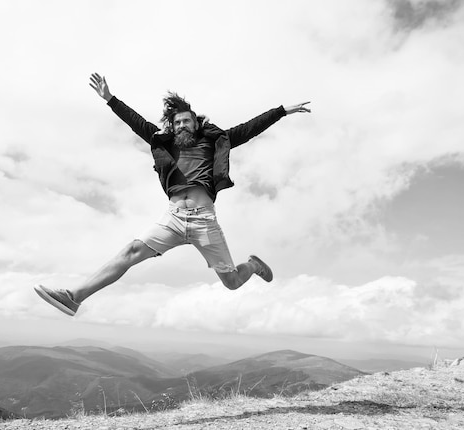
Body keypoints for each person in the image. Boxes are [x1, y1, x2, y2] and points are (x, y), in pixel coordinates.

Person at [34, 73, 311, 316]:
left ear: (196, 124)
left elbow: (250, 129)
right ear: (172, 126)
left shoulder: (215, 141)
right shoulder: (161, 142)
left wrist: (281, 111)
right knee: (131, 251)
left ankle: (252, 265)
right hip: (173, 218)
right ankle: (73, 298)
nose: (181, 126)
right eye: (177, 123)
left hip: (204, 221)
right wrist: (109, 98)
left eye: (187, 122)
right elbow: (136, 122)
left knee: (232, 283)